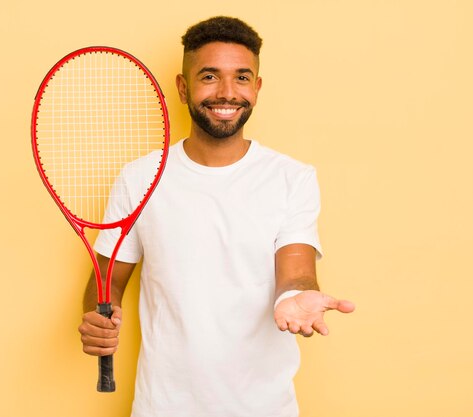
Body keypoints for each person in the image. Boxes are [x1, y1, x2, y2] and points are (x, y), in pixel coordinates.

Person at [78, 16, 355, 417]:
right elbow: (105, 282)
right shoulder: (139, 177)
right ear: (182, 86)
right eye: (209, 76)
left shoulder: (292, 178)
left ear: (257, 88)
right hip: (162, 406)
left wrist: (297, 297)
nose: (227, 92)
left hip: (265, 407)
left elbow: (296, 270)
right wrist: (97, 317)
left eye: (242, 78)